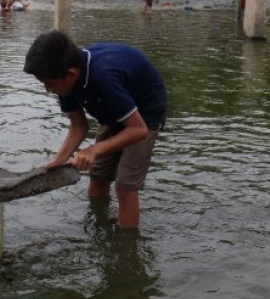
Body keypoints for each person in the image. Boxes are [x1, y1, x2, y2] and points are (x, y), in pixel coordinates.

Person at [23, 31, 166, 229]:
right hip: (113, 112)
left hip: (144, 116)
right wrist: (58, 161)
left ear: (71, 74)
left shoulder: (103, 76)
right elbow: (79, 126)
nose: (47, 90)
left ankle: (125, 248)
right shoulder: (66, 81)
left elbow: (138, 130)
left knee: (125, 187)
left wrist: (93, 150)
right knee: (98, 175)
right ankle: (99, 226)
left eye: (49, 84)